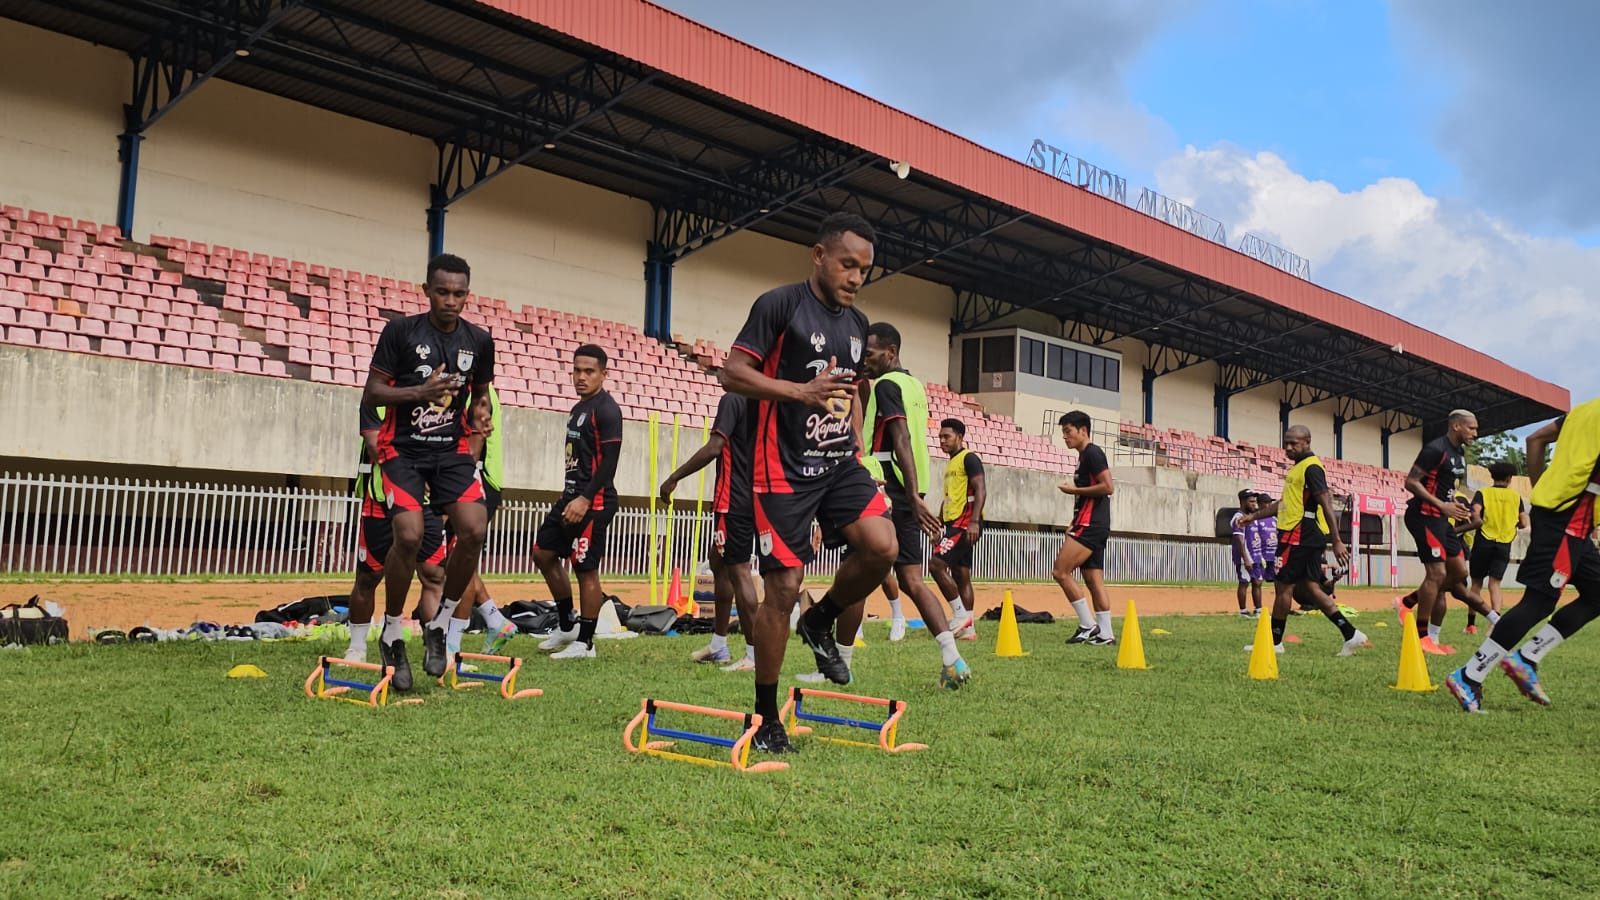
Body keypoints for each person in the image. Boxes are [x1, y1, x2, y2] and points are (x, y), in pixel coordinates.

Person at [720, 211, 897, 754]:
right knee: (783, 588)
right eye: (847, 264)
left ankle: (819, 623)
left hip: (838, 461)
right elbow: (732, 373)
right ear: (819, 255)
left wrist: (859, 441)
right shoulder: (779, 305)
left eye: (864, 270)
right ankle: (767, 715)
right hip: (782, 470)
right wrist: (800, 392)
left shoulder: (857, 323)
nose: (854, 277)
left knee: (882, 545)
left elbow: (851, 389)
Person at [362, 253, 495, 690]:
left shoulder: (479, 339)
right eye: (442, 292)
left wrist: (481, 415)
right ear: (426, 291)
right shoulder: (401, 331)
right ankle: (394, 630)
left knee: (474, 527)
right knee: (409, 535)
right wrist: (420, 391)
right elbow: (373, 392)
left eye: (459, 293)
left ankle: (440, 623)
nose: (450, 300)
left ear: (467, 295)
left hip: (451, 451)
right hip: (401, 449)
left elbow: (480, 394)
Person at [825, 321, 971, 687]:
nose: (867, 360)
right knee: (911, 579)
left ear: (890, 353)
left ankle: (839, 666)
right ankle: (952, 659)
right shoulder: (913, 385)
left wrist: (907, 495)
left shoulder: (888, 385)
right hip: (909, 492)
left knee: (854, 574)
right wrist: (916, 496)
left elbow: (901, 438)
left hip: (887, 489)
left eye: (871, 354)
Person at [1447, 400, 1600, 712]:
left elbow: (1535, 439)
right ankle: (1469, 674)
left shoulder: (1584, 411)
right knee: (1540, 600)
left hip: (1571, 520)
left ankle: (1528, 657)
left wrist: (1541, 488)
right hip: (1566, 520)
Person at [1236, 425, 1370, 657]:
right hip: (1305, 534)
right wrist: (1253, 517)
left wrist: (1336, 540)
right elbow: (1284, 504)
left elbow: (1326, 503)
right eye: (1286, 443)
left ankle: (1274, 643)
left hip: (1299, 534)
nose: (1288, 448)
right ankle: (1351, 634)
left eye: (1294, 443)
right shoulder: (1299, 469)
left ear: (1307, 442)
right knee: (1310, 587)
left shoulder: (1311, 468)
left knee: (1283, 586)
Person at [532, 344, 623, 660]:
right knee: (543, 553)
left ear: (603, 374)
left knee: (585, 569)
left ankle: (585, 642)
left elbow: (609, 463)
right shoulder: (577, 409)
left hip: (594, 502)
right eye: (577, 371)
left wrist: (585, 499)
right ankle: (568, 622)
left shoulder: (607, 410)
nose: (581, 377)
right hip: (569, 497)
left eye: (589, 371)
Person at [658, 388, 759, 672]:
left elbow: (715, 447)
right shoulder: (764, 401)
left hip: (733, 501)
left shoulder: (733, 399)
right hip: (753, 496)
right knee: (718, 563)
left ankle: (753, 656)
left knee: (739, 571)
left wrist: (674, 477)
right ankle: (718, 644)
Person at [343, 403, 446, 663]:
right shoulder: (377, 397)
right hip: (382, 500)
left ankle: (437, 649)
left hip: (427, 504)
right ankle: (357, 647)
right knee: (368, 577)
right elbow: (377, 447)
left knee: (434, 576)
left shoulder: (438, 401)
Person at [1395, 411, 1497, 655]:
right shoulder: (1435, 449)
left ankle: (1407, 602)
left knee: (1459, 572)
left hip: (1441, 518)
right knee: (1437, 573)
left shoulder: (1459, 454)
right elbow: (1411, 482)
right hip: (1424, 516)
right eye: (1471, 428)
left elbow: (1446, 486)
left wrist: (1454, 505)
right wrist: (1441, 505)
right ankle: (1422, 638)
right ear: (1456, 426)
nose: (1475, 433)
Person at [438, 384, 520, 664]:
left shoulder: (477, 390)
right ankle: (494, 619)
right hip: (476, 479)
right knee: (460, 562)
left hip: (475, 480)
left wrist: (451, 491)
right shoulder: (474, 387)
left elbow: (474, 445)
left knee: (458, 563)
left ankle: (452, 645)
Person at [1053, 411, 1116, 645]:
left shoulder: (1093, 453)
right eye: (1063, 433)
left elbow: (1108, 487)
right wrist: (1074, 517)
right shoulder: (1084, 456)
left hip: (1091, 525)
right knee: (1093, 580)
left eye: (1068, 432)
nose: (1065, 437)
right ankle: (1106, 634)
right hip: (1091, 522)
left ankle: (1088, 625)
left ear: (1083, 430)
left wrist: (1074, 491)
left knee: (1060, 571)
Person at [929, 418, 985, 640]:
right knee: (961, 574)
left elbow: (981, 489)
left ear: (960, 438)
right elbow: (951, 496)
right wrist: (939, 521)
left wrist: (973, 521)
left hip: (965, 522)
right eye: (940, 436)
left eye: (947, 436)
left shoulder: (969, 458)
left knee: (936, 565)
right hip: (954, 522)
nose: (942, 440)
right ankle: (968, 629)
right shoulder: (951, 463)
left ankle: (961, 615)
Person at [1465, 461, 1529, 634]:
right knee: (1495, 583)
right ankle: (1494, 623)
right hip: (1504, 543)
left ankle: (1471, 625)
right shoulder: (1516, 497)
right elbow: (1523, 522)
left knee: (1476, 583)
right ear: (1509, 478)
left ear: (1492, 476)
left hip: (1483, 540)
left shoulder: (1483, 493)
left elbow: (1475, 513)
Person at [1231, 490, 1265, 617]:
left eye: (1255, 502)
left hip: (1256, 555)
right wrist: (1245, 558)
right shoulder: (1239, 517)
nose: (1254, 504)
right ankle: (1243, 611)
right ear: (1242, 502)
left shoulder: (1253, 517)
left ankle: (1258, 610)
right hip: (1245, 556)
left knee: (1257, 582)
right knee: (1244, 582)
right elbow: (1239, 538)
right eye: (1251, 501)